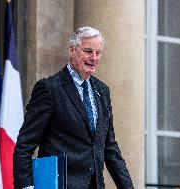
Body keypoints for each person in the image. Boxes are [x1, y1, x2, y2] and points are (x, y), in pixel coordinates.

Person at [13, 26, 134, 189]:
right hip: (60, 184)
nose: (94, 58)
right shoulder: (49, 89)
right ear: (72, 50)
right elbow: (25, 144)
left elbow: (109, 147)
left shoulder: (102, 91)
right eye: (88, 51)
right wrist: (26, 186)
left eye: (98, 53)